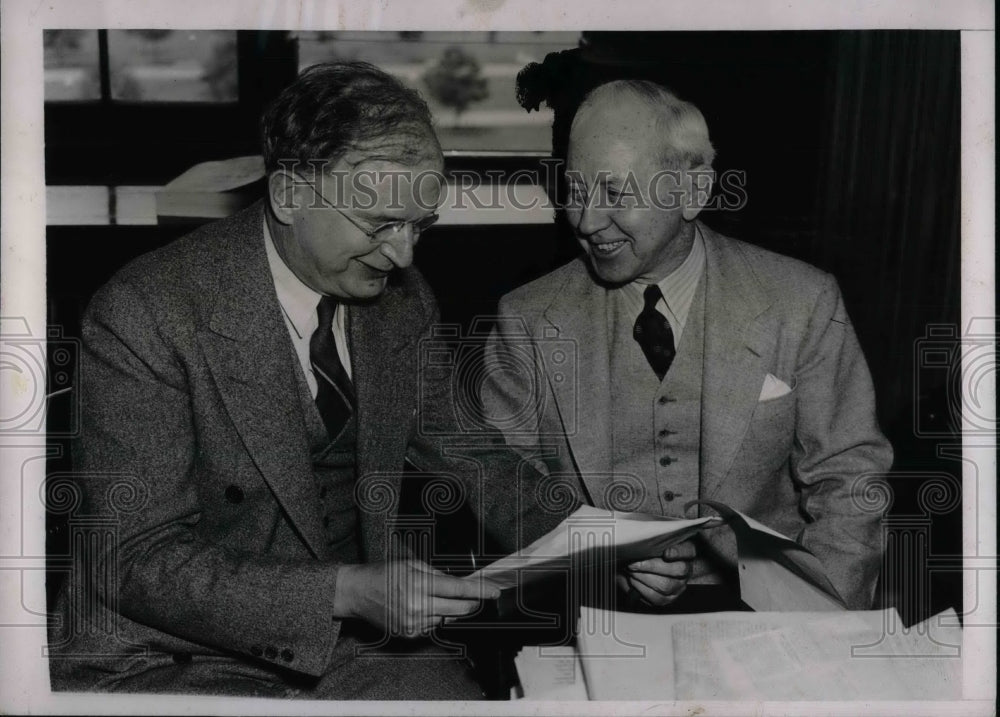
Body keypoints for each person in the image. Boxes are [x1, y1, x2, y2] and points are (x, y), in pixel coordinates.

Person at [48, 62, 577, 699]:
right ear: (291, 196)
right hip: (167, 654)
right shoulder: (143, 314)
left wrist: (601, 542)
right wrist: (345, 590)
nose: (405, 255)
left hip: (352, 647)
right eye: (381, 224)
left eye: (420, 225)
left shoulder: (403, 302)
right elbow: (132, 559)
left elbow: (472, 454)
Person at [482, 79, 892, 611]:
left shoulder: (803, 300)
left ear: (692, 193)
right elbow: (503, 486)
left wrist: (821, 617)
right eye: (575, 191)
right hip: (593, 606)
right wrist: (600, 563)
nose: (585, 221)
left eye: (615, 193)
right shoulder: (526, 319)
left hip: (773, 606)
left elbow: (850, 475)